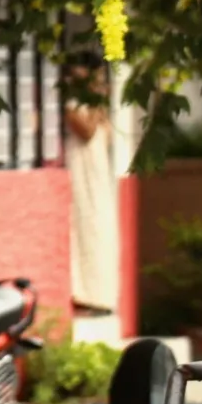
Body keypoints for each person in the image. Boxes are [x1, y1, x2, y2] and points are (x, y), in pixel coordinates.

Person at [63, 50, 120, 317]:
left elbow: (105, 136)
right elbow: (86, 132)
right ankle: (86, 296)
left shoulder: (98, 106)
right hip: (82, 172)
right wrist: (97, 101)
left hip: (98, 173)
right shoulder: (73, 104)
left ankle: (103, 296)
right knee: (86, 228)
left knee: (102, 229)